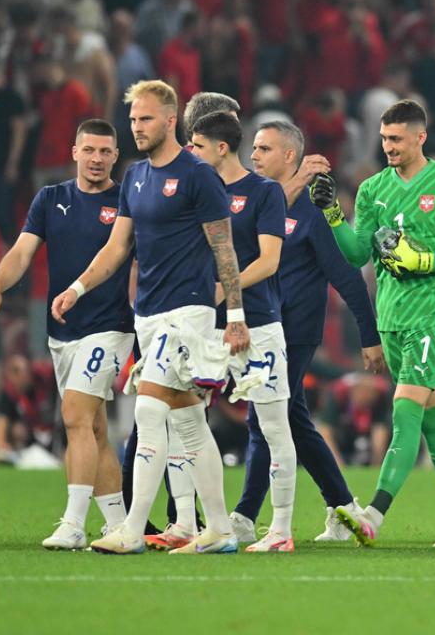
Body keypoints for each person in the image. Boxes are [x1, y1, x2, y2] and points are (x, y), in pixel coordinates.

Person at [52, 79, 249, 556]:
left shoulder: (198, 175)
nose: (137, 127)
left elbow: (224, 247)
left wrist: (235, 314)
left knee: (147, 410)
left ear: (170, 120)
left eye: (145, 119)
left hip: (187, 311)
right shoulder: (136, 176)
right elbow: (117, 246)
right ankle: (219, 529)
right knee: (190, 423)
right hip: (149, 315)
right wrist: (77, 288)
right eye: (133, 119)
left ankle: (132, 529)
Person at [309, 99, 435, 548]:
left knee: (404, 413)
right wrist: (332, 214)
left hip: (433, 315)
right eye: (384, 138)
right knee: (433, 421)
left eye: (396, 139)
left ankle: (372, 516)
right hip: (391, 317)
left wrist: (421, 260)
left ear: (420, 137)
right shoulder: (372, 189)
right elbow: (356, 254)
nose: (388, 146)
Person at [0, 119, 133, 550]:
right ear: (74, 152)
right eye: (90, 150)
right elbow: (22, 251)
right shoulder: (50, 199)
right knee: (94, 428)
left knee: (75, 416)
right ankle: (119, 524)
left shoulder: (127, 202)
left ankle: (73, 524)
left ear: (115, 156)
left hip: (110, 326)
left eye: (105, 151)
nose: (97, 159)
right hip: (63, 331)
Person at [232, 120, 382, 543]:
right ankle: (344, 507)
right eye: (254, 148)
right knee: (292, 418)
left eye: (264, 149)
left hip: (296, 331)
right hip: (262, 326)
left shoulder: (313, 211)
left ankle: (245, 516)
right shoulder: (258, 202)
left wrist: (368, 336)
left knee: (265, 416)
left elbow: (347, 277)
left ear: (290, 156)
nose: (254, 156)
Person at [188, 110, 297, 553]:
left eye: (197, 146)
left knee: (274, 426)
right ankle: (198, 523)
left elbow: (269, 261)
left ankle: (281, 530)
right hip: (204, 325)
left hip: (259, 324)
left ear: (219, 148)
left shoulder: (264, 192)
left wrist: (224, 288)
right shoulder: (198, 191)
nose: (190, 153)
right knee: (186, 422)